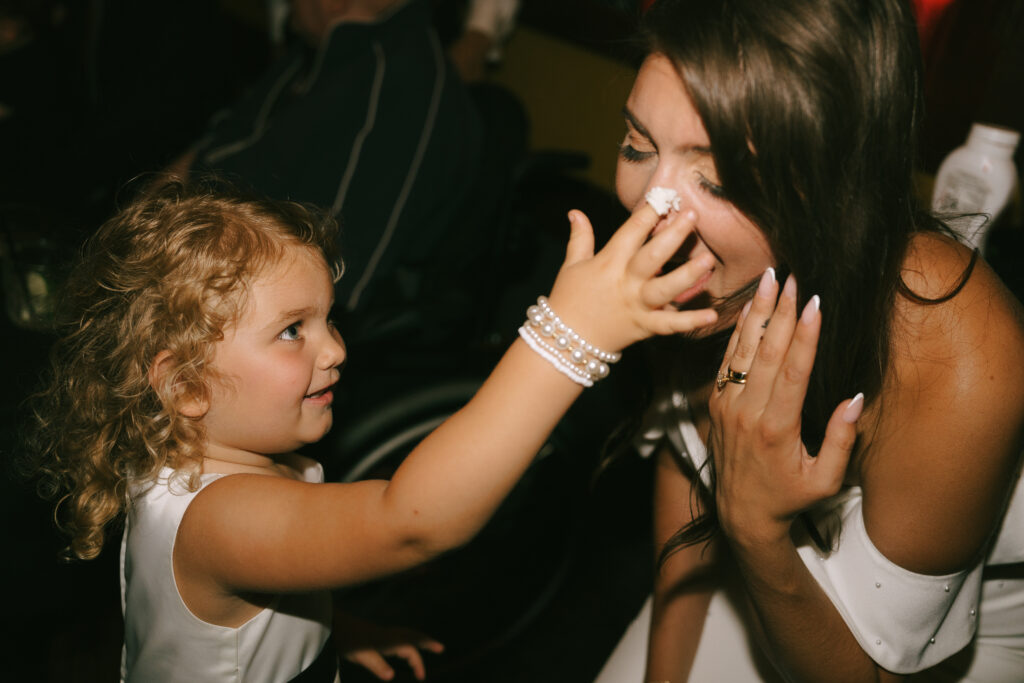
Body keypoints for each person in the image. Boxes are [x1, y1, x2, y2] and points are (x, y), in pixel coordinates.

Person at [24, 178, 718, 682]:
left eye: (329, 319)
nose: (335, 350)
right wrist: (569, 338)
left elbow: (245, 606)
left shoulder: (186, 461)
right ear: (184, 384)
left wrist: (332, 633)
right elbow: (410, 521)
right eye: (292, 330)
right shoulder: (221, 516)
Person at [593, 0, 1024, 681]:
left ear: (832, 186)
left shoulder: (953, 337)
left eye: (717, 178)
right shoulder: (704, 265)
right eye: (638, 146)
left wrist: (757, 529)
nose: (651, 211)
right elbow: (689, 458)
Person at [169, 0, 482, 326]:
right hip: (194, 254)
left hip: (235, 307)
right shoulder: (316, 56)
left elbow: (341, 272)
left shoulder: (401, 83)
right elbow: (215, 148)